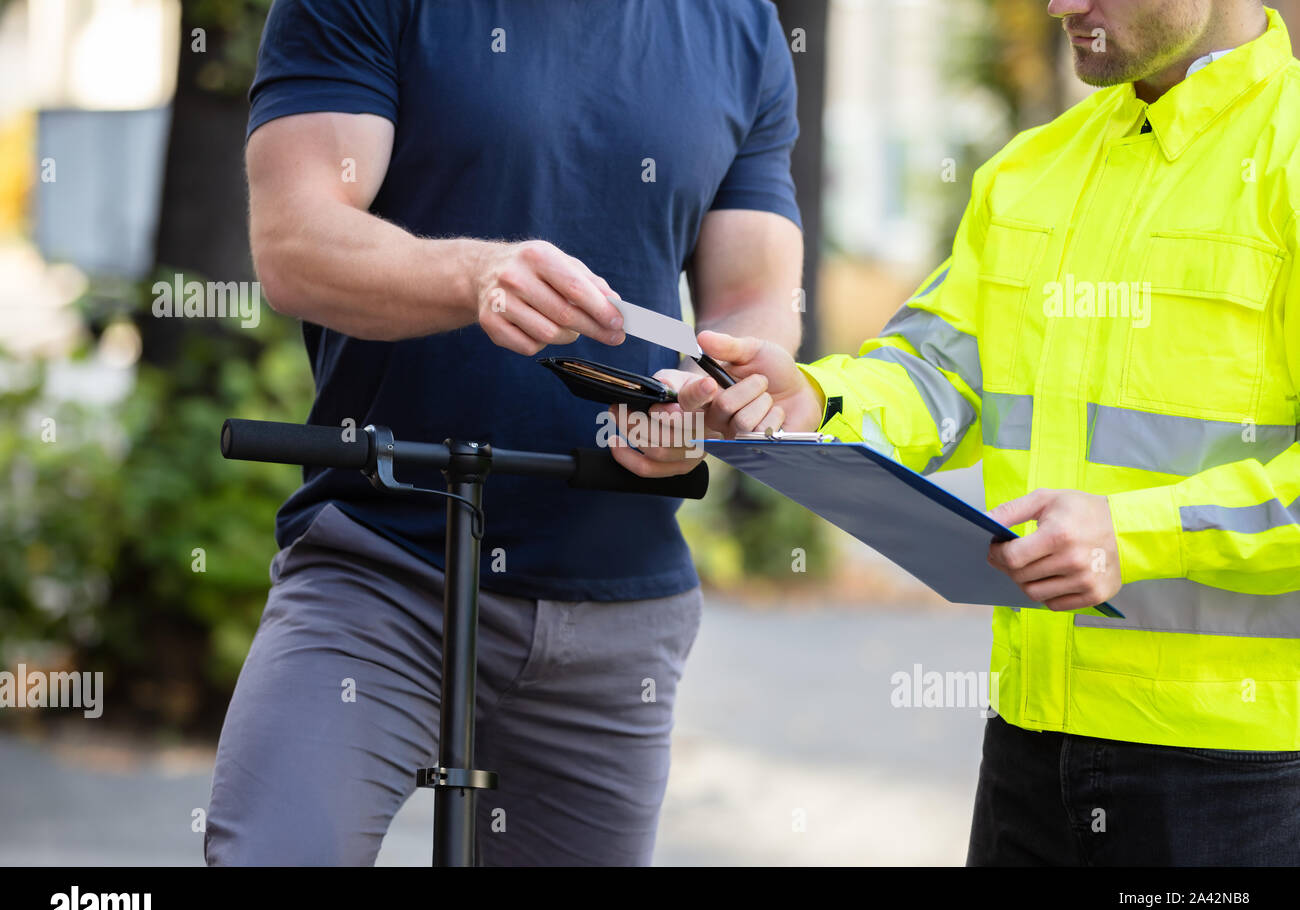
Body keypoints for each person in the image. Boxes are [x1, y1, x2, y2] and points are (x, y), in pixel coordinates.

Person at [676, 1, 1300, 865]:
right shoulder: (1029, 172)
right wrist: (813, 402)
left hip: (1245, 777)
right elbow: (937, 372)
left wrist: (1138, 535)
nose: (1062, 5)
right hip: (1030, 749)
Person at [205, 0, 803, 865]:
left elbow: (752, 305)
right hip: (382, 568)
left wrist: (707, 397)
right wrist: (476, 274)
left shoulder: (740, 27)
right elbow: (296, 241)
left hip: (618, 606)